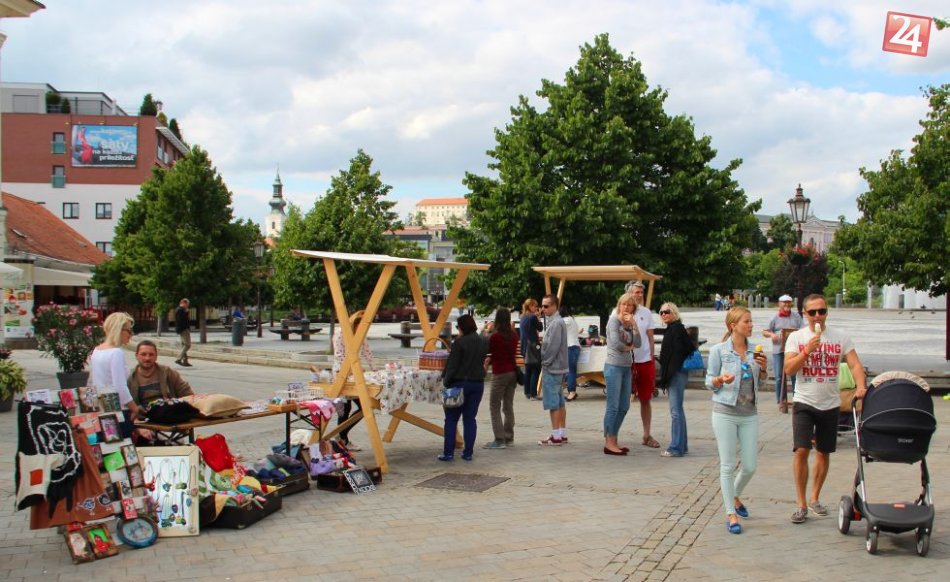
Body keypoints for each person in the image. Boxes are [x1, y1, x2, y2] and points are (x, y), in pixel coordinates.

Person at [784, 294, 867, 524]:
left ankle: (815, 497)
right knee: (801, 450)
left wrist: (861, 386)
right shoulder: (796, 337)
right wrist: (807, 351)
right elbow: (789, 369)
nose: (818, 316)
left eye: (822, 311)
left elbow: (855, 364)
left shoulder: (840, 337)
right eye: (812, 312)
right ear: (805, 314)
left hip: (830, 403)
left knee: (823, 451)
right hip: (804, 401)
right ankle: (801, 504)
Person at [705, 307, 768, 534]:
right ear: (734, 326)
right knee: (728, 465)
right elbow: (708, 381)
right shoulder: (719, 351)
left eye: (751, 321)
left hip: (749, 413)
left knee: (750, 466)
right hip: (725, 412)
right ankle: (731, 514)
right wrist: (720, 379)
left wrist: (763, 369)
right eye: (746, 322)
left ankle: (735, 495)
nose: (751, 325)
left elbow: (760, 383)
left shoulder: (755, 350)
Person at [439, 314, 488, 461]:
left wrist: (446, 382)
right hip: (477, 384)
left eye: (458, 327)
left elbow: (452, 367)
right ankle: (468, 453)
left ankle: (448, 453)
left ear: (462, 327)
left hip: (459, 384)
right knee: (470, 419)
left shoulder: (459, 343)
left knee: (451, 419)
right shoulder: (483, 341)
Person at [603, 292, 641, 455]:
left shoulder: (629, 324)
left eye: (629, 305)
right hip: (613, 367)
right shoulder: (613, 321)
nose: (626, 307)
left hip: (626, 367)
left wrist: (634, 325)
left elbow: (638, 343)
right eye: (623, 304)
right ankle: (609, 442)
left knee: (624, 406)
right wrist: (628, 347)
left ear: (633, 308)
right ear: (619, 306)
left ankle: (613, 437)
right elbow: (616, 344)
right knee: (613, 406)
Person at [332, 311, 375, 451]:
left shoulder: (360, 333)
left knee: (364, 406)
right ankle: (342, 439)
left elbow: (367, 353)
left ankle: (341, 436)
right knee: (345, 408)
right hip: (341, 374)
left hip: (355, 374)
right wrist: (352, 369)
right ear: (355, 323)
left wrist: (375, 370)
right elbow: (339, 355)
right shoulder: (340, 333)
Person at [657, 303, 696, 458]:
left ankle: (676, 448)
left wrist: (670, 370)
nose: (664, 314)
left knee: (675, 411)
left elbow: (681, 351)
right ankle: (682, 445)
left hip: (676, 374)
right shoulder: (673, 329)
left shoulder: (676, 329)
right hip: (676, 373)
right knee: (678, 410)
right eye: (661, 312)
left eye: (667, 312)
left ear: (674, 313)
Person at [626, 281, 660, 450]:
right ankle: (612, 437)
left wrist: (651, 357)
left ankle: (647, 435)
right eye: (636, 292)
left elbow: (650, 336)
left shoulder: (646, 312)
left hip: (644, 361)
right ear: (629, 293)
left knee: (645, 399)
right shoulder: (619, 311)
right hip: (626, 362)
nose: (639, 295)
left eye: (641, 292)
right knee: (620, 400)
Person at [90, 312, 139, 420]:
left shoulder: (97, 350)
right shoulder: (116, 352)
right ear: (119, 330)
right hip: (117, 409)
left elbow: (94, 381)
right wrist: (134, 408)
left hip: (102, 406)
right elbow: (119, 386)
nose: (131, 334)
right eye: (129, 330)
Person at [483, 308, 518, 449]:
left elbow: (489, 350)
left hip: (499, 373)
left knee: (494, 406)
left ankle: (499, 439)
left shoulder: (495, 336)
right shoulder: (514, 335)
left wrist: (486, 331)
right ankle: (509, 437)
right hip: (512, 373)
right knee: (508, 406)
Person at [538, 294, 569, 446]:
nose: (543, 309)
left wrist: (545, 362)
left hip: (553, 367)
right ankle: (561, 433)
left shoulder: (556, 322)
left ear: (555, 306)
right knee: (560, 401)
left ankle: (556, 435)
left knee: (553, 403)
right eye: (542, 306)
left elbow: (553, 346)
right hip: (558, 367)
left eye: (546, 306)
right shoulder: (556, 321)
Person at [763, 294, 803, 408]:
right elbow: (765, 331)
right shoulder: (774, 317)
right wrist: (772, 335)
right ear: (779, 304)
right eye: (784, 302)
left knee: (794, 376)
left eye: (788, 302)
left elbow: (803, 329)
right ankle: (780, 400)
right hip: (778, 350)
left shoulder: (796, 316)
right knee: (779, 376)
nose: (786, 304)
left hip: (793, 350)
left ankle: (797, 399)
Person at [127, 340, 195, 407]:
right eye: (143, 354)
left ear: (156, 357)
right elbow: (125, 404)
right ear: (136, 356)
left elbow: (188, 394)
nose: (147, 358)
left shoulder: (167, 372)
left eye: (151, 355)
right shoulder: (130, 377)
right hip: (142, 413)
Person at [519, 298, 542, 400]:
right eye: (535, 306)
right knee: (536, 369)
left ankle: (527, 392)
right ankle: (533, 394)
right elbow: (540, 328)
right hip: (533, 346)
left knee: (528, 370)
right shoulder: (532, 317)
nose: (536, 308)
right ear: (530, 306)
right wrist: (539, 318)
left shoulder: (522, 317)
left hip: (524, 346)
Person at [561, 305, 582, 401]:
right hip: (575, 346)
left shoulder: (565, 320)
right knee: (572, 370)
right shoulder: (572, 320)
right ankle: (571, 391)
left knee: (570, 371)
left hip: (570, 347)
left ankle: (572, 392)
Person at [174, 298, 192, 367]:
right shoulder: (180, 310)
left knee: (184, 344)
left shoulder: (179, 309)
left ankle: (185, 361)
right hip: (183, 329)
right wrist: (186, 313)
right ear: (184, 303)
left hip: (181, 329)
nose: (188, 306)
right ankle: (179, 358)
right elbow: (182, 320)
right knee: (187, 345)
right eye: (187, 304)